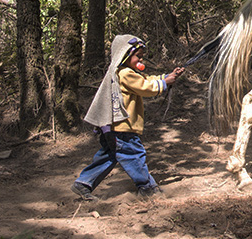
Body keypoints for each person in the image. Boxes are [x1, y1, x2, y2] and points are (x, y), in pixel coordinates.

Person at [71, 35, 185, 201]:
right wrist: (165, 83)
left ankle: (84, 183)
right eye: (137, 56)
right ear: (125, 54)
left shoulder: (125, 73)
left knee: (109, 155)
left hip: (112, 128)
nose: (140, 59)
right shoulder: (125, 74)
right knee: (134, 155)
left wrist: (166, 77)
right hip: (122, 127)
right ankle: (146, 187)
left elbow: (146, 80)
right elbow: (145, 87)